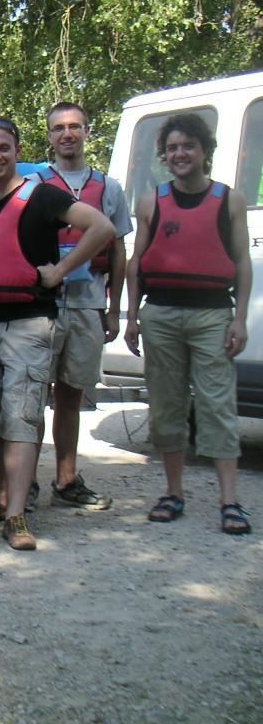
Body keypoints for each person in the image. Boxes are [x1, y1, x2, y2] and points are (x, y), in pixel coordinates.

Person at [0, 117, 114, 550]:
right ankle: (5, 496)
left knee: (24, 415)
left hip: (29, 323)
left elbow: (101, 227)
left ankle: (16, 516)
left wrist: (60, 270)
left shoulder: (42, 195)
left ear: (16, 148)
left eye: (3, 148)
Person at [124, 113, 252, 534]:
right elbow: (136, 263)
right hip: (160, 313)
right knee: (167, 405)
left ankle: (229, 500)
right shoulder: (151, 202)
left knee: (217, 405)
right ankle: (173, 492)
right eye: (173, 148)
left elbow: (241, 263)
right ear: (165, 154)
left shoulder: (228, 200)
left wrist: (239, 318)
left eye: (188, 146)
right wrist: (132, 318)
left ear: (204, 151)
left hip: (213, 313)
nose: (180, 154)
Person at [31, 102, 131, 511]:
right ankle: (26, 481)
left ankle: (66, 478)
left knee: (72, 395)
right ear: (50, 135)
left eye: (75, 127)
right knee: (32, 395)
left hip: (89, 302)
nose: (67, 134)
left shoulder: (109, 188)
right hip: (42, 306)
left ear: (88, 131)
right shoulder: (35, 182)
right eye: (59, 128)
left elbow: (119, 250)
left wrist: (114, 309)